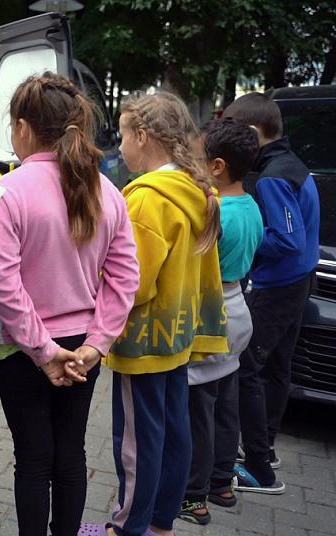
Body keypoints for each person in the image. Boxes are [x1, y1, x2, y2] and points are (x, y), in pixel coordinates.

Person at [0, 73, 139, 536]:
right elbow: (124, 278)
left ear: (23, 127)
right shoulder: (108, 191)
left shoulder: (8, 190)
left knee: (33, 459)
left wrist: (44, 351)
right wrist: (97, 344)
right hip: (82, 349)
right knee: (71, 453)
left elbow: (3, 284)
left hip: (23, 347)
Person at [80, 91, 229, 536]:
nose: (119, 146)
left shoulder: (146, 199)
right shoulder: (196, 190)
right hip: (178, 334)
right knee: (174, 430)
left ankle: (126, 527)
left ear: (142, 136)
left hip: (143, 340)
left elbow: (135, 282)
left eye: (123, 135)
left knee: (136, 440)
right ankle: (162, 523)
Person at [222, 92, 320, 493]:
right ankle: (266, 447)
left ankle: (259, 468)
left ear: (251, 131)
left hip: (279, 285)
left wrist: (246, 238)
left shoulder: (273, 176)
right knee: (278, 367)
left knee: (247, 367)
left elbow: (287, 239)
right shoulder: (289, 162)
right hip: (299, 280)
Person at [179, 118, 263, 525]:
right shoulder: (252, 207)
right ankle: (221, 483)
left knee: (199, 410)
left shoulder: (216, 214)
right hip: (239, 309)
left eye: (196, 159)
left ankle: (193, 497)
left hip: (211, 314)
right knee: (226, 405)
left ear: (217, 167)